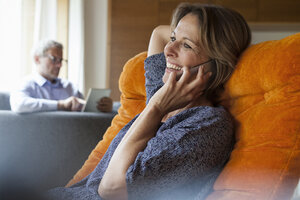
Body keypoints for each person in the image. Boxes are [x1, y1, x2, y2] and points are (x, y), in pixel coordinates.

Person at [47, 3, 251, 200]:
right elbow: (158, 34)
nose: (168, 50)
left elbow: (112, 189)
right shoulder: (165, 92)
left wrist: (156, 107)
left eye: (187, 45)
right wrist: (184, 32)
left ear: (216, 64)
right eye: (173, 38)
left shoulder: (208, 125)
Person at [10, 39, 112, 113]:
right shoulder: (26, 83)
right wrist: (60, 105)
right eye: (54, 59)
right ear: (37, 59)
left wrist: (104, 108)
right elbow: (18, 105)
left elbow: (85, 114)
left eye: (61, 60)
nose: (60, 65)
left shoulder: (70, 87)